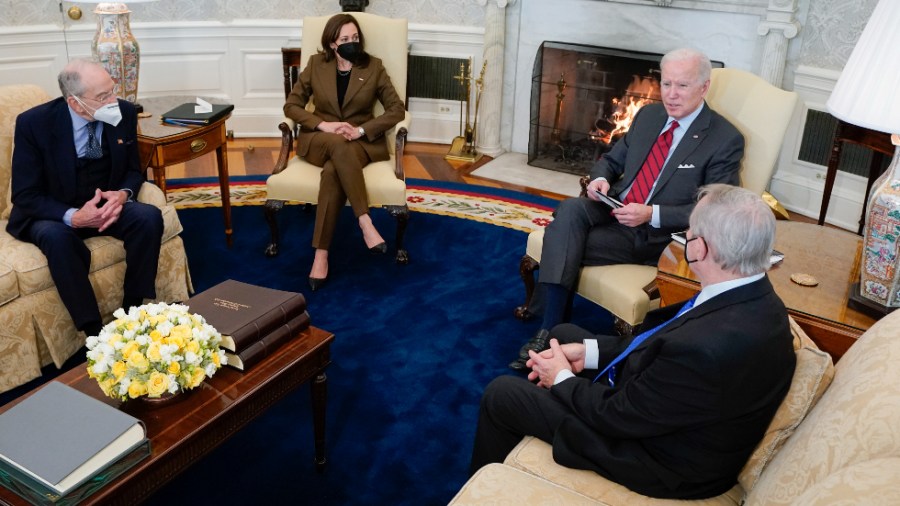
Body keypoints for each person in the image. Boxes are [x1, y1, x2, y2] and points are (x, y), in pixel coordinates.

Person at [470, 184, 796, 499]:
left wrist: (560, 379)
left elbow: (620, 416)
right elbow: (662, 342)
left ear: (702, 249)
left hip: (657, 460)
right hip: (669, 413)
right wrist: (589, 352)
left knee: (503, 394)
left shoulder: (705, 349)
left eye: (690, 231)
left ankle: (480, 494)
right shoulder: (754, 296)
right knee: (565, 335)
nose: (685, 238)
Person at [510, 48, 745, 370]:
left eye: (682, 86)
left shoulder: (724, 138)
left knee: (560, 237)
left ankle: (547, 329)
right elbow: (610, 160)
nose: (671, 95)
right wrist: (601, 180)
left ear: (704, 87)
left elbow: (715, 208)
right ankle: (553, 330)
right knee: (570, 210)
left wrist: (652, 214)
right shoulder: (649, 116)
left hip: (653, 235)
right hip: (614, 208)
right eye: (666, 84)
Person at [7, 58, 163, 338]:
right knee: (57, 238)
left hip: (104, 205)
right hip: (54, 212)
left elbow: (132, 170)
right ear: (75, 102)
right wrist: (73, 217)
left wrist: (123, 194)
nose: (113, 100)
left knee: (148, 217)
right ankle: (94, 332)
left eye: (113, 91)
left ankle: (132, 313)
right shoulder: (34, 124)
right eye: (103, 96)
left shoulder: (123, 113)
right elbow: (25, 194)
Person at [284, 13, 406, 291]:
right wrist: (324, 124)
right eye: (345, 39)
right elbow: (291, 106)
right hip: (320, 138)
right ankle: (365, 221)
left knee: (332, 172)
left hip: (359, 142)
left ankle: (321, 255)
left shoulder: (374, 67)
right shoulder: (316, 65)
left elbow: (396, 109)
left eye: (356, 38)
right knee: (337, 144)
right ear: (331, 44)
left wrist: (361, 131)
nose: (352, 43)